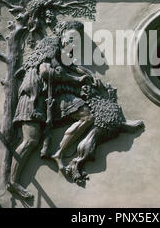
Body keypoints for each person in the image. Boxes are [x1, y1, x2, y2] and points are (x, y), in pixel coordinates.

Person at [7, 20, 98, 199]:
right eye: (71, 38)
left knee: (86, 115)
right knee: (31, 140)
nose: (72, 43)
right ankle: (13, 182)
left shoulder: (61, 52)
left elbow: (70, 67)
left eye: (76, 41)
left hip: (50, 98)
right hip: (33, 96)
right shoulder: (50, 44)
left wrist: (89, 76)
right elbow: (46, 71)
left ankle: (60, 153)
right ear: (62, 33)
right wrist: (76, 80)